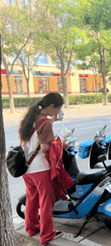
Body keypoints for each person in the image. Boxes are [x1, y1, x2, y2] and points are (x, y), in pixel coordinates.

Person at [19, 93, 67, 245]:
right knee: (47, 201)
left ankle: (31, 228)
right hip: (40, 168)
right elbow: (46, 147)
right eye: (58, 108)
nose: (58, 111)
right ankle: (46, 235)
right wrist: (62, 145)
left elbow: (35, 134)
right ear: (52, 106)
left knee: (32, 198)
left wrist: (53, 120)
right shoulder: (46, 123)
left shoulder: (30, 117)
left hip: (26, 168)